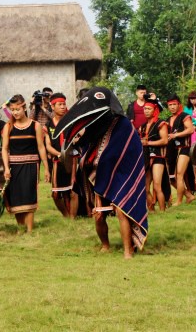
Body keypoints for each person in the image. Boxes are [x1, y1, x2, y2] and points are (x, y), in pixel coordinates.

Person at [53, 87, 148, 259]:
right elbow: (87, 149)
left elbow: (131, 151)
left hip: (123, 176)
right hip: (101, 176)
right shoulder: (94, 127)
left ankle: (128, 251)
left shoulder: (124, 125)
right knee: (98, 214)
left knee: (122, 211)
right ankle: (105, 245)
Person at [1, 94, 50, 233]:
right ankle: (21, 227)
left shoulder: (35, 126)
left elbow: (41, 147)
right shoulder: (8, 127)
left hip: (31, 166)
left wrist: (46, 168)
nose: (15, 112)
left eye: (17, 109)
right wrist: (6, 168)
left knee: (28, 195)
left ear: (24, 107)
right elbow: (4, 149)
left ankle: (29, 231)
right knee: (16, 197)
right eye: (12, 110)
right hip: (13, 167)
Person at [44, 92, 78, 218]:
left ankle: (72, 219)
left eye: (64, 104)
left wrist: (76, 139)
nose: (63, 107)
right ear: (52, 107)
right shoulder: (48, 126)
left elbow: (79, 135)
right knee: (55, 194)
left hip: (72, 160)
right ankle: (66, 215)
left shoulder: (71, 121)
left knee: (73, 191)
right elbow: (47, 146)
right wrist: (60, 154)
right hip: (57, 162)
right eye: (60, 104)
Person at [140, 98, 170, 211]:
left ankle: (162, 210)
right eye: (145, 109)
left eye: (149, 109)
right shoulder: (142, 126)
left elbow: (165, 140)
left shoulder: (161, 123)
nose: (146, 111)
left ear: (154, 110)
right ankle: (151, 209)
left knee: (157, 186)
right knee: (145, 187)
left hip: (158, 157)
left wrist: (148, 142)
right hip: (146, 157)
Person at [166, 94, 196, 206]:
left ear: (179, 105)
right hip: (172, 150)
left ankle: (178, 201)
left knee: (179, 175)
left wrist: (176, 135)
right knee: (171, 177)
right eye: (170, 105)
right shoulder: (168, 119)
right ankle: (189, 195)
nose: (172, 107)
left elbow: (190, 129)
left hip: (184, 148)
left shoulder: (185, 116)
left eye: (174, 104)